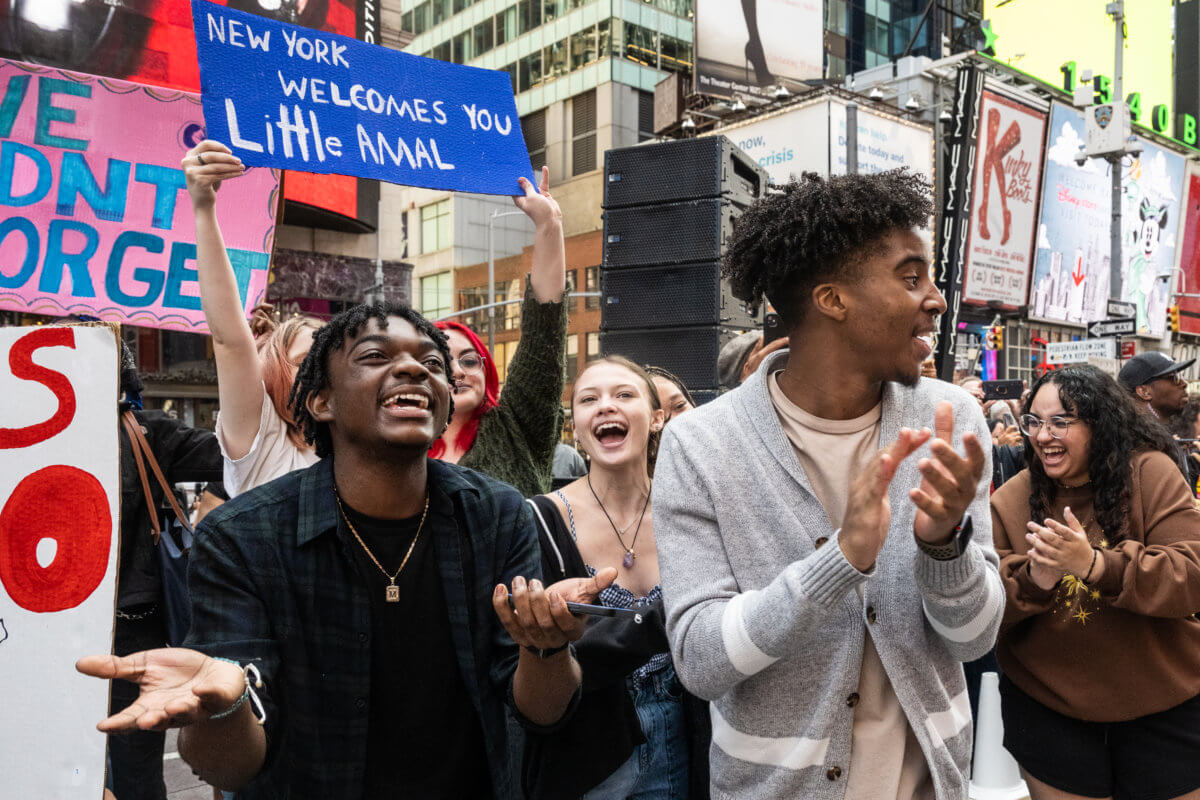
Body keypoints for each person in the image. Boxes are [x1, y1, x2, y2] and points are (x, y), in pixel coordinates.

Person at [78, 302, 615, 799]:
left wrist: (543, 647)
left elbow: (542, 715)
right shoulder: (242, 537)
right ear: (321, 400)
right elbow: (229, 768)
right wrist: (222, 707)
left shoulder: (498, 515)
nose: (414, 369)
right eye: (376, 357)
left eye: (432, 362)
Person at [651, 170, 1003, 799]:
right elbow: (700, 661)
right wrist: (840, 560)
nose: (938, 299)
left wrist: (945, 547)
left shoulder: (951, 422)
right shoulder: (700, 445)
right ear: (833, 299)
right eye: (910, 276)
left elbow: (975, 638)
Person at [991, 364, 1200, 800]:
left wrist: (1096, 566)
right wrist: (1035, 579)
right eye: (1034, 422)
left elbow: (1191, 573)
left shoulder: (1150, 473)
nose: (1043, 435)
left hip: (1166, 704)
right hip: (1049, 708)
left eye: (1061, 422)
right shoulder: (1012, 498)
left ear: (1100, 423)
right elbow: (985, 610)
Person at [526, 357, 709, 799]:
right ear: (577, 425)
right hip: (593, 755)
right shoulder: (539, 518)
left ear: (658, 417)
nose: (606, 406)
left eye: (624, 395)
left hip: (689, 742)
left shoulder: (691, 509)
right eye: (589, 399)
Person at [110, 343, 223, 800]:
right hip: (42, 630)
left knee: (133, 772)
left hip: (134, 633)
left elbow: (235, 459)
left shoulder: (148, 434)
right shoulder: (19, 435)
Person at [183, 140, 322, 498]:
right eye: (308, 361)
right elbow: (230, 341)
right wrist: (203, 209)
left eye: (333, 356)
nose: (326, 369)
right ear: (274, 376)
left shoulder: (357, 448)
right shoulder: (263, 444)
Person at [429, 166, 568, 497]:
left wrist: (549, 226)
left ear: (487, 370)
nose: (456, 372)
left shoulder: (516, 427)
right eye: (438, 362)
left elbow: (543, 334)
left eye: (468, 360)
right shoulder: (396, 441)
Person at [1117, 351, 1194, 422]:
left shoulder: (1169, 431)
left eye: (1180, 376)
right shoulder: (1131, 435)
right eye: (1173, 377)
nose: (1184, 384)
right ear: (1144, 392)